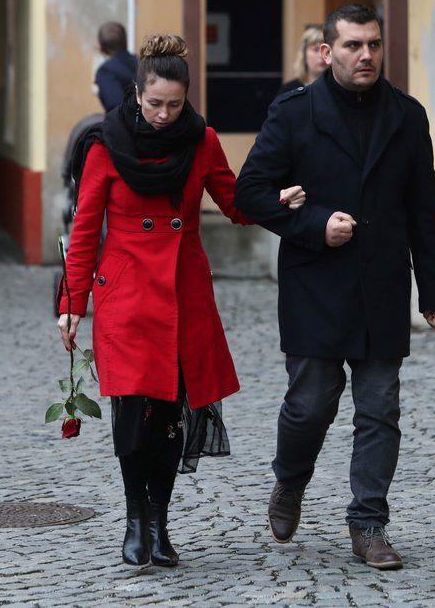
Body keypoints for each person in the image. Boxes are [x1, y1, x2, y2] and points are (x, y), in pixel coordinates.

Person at [57, 34, 306, 567]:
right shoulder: (105, 144)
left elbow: (235, 203)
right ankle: (133, 519)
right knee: (132, 412)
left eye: (174, 104)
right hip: (125, 292)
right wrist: (73, 301)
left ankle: (160, 524)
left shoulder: (202, 141)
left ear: (186, 97)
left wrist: (276, 198)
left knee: (170, 413)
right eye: (154, 104)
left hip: (181, 289)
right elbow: (84, 229)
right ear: (137, 94)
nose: (164, 115)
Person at [234, 4, 435, 570]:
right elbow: (249, 192)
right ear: (328, 51)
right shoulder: (295, 113)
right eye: (354, 45)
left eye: (374, 45)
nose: (367, 56)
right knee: (310, 405)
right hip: (315, 285)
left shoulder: (407, 116)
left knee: (380, 409)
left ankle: (369, 524)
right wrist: (312, 224)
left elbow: (424, 207)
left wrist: (434, 289)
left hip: (381, 285)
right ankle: (290, 481)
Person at [95, 22, 138, 111]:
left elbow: (114, 106)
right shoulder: (142, 62)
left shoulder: (106, 71)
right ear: (125, 41)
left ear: (101, 46)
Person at [276, 25, 327, 98]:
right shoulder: (288, 91)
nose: (321, 55)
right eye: (315, 49)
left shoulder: (339, 90)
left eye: (326, 50)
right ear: (304, 54)